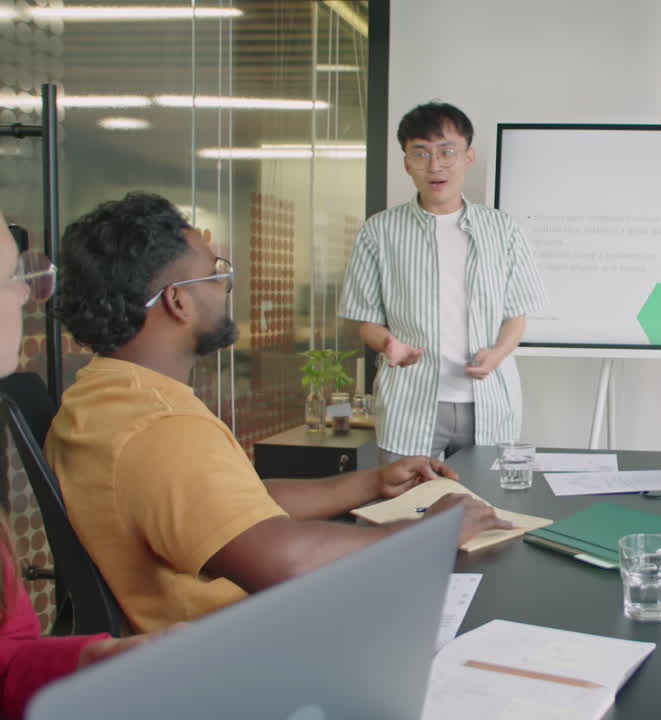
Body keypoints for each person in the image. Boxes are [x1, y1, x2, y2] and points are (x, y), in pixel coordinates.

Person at [44, 193, 511, 634]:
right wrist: (433, 533)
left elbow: (233, 507)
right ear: (178, 301)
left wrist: (370, 482)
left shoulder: (99, 397)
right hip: (233, 655)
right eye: (214, 274)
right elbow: (285, 562)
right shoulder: (162, 427)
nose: (226, 287)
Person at [0, 217, 155, 718]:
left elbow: (7, 658)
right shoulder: (154, 421)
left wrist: (92, 660)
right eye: (9, 277)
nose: (25, 296)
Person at [340, 101, 547, 462]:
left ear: (468, 157)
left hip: (490, 404)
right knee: (406, 512)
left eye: (446, 151)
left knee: (487, 510)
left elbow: (517, 313)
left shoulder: (502, 229)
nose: (434, 165)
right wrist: (390, 344)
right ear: (407, 162)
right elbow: (365, 319)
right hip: (411, 404)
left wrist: (497, 354)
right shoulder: (379, 231)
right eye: (421, 153)